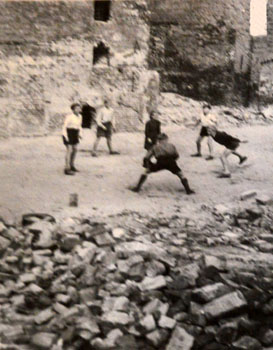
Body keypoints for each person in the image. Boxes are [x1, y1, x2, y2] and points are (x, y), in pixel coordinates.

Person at [130, 133, 195, 194]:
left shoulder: (155, 146)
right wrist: (172, 162)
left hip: (160, 162)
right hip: (171, 162)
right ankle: (188, 190)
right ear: (166, 139)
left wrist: (147, 164)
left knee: (146, 172)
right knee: (181, 175)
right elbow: (177, 156)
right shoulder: (171, 145)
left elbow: (146, 157)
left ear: (158, 140)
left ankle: (137, 188)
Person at [62, 103, 82, 175]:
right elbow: (64, 126)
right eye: (76, 108)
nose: (78, 109)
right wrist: (66, 136)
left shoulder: (80, 116)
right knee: (69, 150)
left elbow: (79, 126)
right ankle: (67, 168)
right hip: (68, 133)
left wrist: (80, 134)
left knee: (75, 149)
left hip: (75, 133)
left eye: (79, 108)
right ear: (73, 110)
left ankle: (72, 165)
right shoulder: (69, 117)